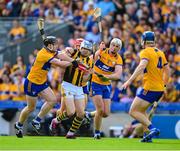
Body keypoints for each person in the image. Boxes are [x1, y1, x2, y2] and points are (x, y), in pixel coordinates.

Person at [14, 36, 78, 138]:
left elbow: (61, 54)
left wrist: (72, 54)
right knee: (31, 108)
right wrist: (74, 62)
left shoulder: (50, 51)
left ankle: (37, 121)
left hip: (41, 82)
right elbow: (60, 63)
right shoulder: (44, 54)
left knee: (52, 100)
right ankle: (19, 125)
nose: (57, 46)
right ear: (49, 45)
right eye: (55, 44)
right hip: (32, 83)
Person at [121, 31, 170, 142]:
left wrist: (129, 81)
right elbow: (168, 71)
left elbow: (142, 66)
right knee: (142, 111)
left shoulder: (145, 51)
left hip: (150, 88)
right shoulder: (160, 52)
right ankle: (146, 136)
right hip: (159, 89)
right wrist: (165, 85)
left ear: (143, 41)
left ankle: (152, 128)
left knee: (133, 111)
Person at [50, 40, 93, 138]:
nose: (85, 51)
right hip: (67, 85)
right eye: (84, 48)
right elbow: (63, 53)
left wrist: (89, 73)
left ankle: (70, 133)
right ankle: (55, 121)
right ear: (80, 48)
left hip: (79, 88)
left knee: (81, 114)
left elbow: (84, 79)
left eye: (88, 49)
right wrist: (70, 57)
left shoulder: (89, 61)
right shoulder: (73, 52)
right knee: (70, 112)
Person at [91, 38, 123, 139]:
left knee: (106, 113)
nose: (114, 48)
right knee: (100, 110)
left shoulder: (118, 59)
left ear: (119, 49)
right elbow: (91, 61)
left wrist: (106, 77)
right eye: (113, 45)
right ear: (110, 45)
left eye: (117, 46)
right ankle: (97, 132)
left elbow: (118, 75)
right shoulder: (101, 51)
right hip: (95, 82)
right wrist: (98, 51)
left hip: (106, 85)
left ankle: (88, 115)